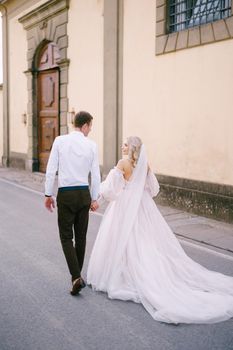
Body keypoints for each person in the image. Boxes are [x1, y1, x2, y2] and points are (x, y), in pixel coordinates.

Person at [87, 136, 233, 324]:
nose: (122, 147)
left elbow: (110, 191)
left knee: (122, 240)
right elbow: (154, 189)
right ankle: (140, 270)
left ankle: (125, 274)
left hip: (125, 207)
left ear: (131, 148)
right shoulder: (145, 165)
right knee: (142, 241)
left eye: (125, 144)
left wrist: (97, 200)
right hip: (142, 206)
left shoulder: (122, 163)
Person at [45, 111, 100, 295]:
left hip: (66, 194)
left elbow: (51, 169)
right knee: (81, 236)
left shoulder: (60, 141)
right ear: (84, 125)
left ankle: (76, 277)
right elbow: (96, 174)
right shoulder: (91, 145)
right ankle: (77, 277)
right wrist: (95, 198)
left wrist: (48, 193)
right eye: (90, 126)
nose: (90, 130)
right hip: (84, 193)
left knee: (66, 237)